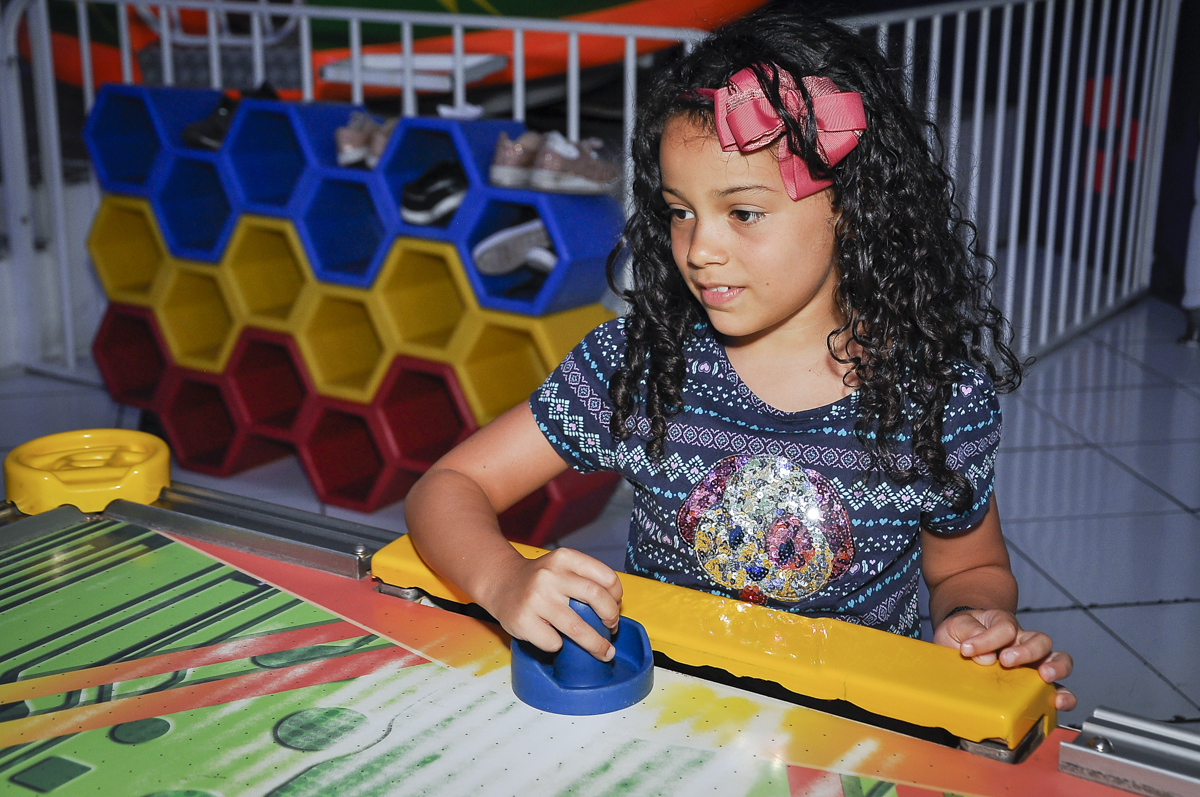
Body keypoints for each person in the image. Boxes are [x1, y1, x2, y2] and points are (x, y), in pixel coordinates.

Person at [405, 7, 1075, 711]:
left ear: (852, 207)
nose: (698, 249)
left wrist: (973, 620)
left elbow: (970, 565)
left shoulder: (936, 398)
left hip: (859, 728)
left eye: (743, 212)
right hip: (668, 715)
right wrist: (503, 578)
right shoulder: (637, 364)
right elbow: (448, 486)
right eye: (679, 210)